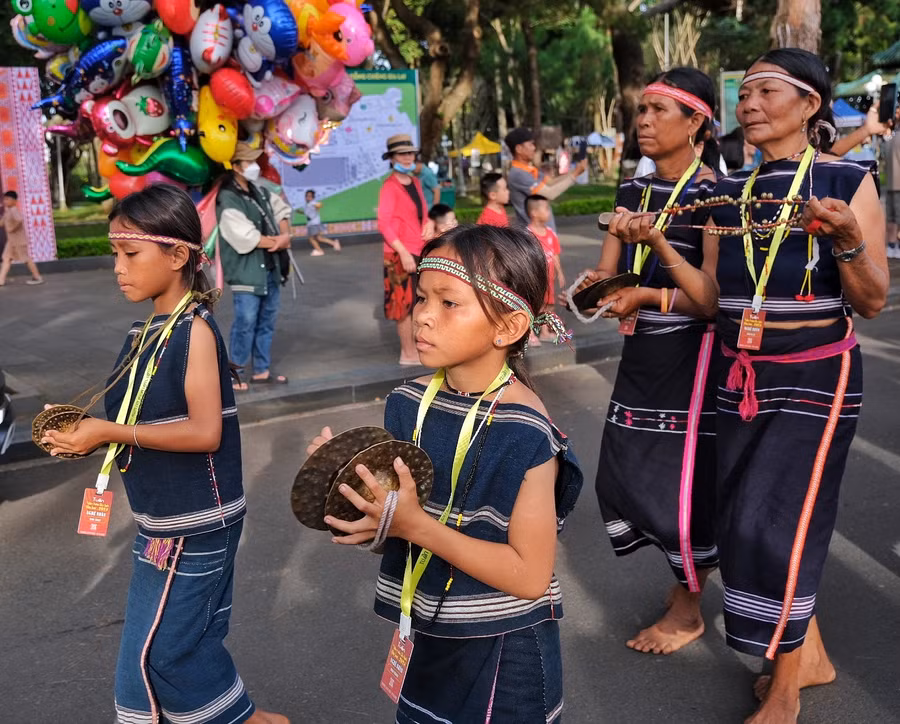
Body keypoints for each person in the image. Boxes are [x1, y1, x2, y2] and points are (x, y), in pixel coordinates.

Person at [306, 224, 582, 723]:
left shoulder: (526, 431)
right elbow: (405, 520)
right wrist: (354, 492)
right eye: (422, 297)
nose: (423, 316)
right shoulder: (407, 402)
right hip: (427, 630)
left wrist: (414, 526)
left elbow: (529, 575)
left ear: (509, 326)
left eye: (449, 303)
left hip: (504, 655)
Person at [39, 185, 288, 724]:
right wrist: (90, 433)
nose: (118, 267)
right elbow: (139, 418)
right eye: (115, 254)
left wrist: (108, 429)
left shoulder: (193, 332)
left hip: (196, 522)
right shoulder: (145, 330)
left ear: (177, 256)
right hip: (163, 519)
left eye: (130, 254)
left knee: (158, 653)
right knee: (163, 645)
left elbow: (204, 433)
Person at [706, 49, 888, 722]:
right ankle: (805, 654)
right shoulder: (737, 190)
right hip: (741, 375)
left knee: (781, 522)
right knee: (743, 523)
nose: (748, 103)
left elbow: (871, 300)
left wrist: (845, 241)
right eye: (744, 92)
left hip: (817, 377)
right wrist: (649, 277)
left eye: (764, 91)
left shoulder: (846, 177)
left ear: (810, 104)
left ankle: (785, 687)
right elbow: (713, 298)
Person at [573, 67, 722, 656]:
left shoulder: (716, 195)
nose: (644, 120)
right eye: (641, 109)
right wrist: (595, 288)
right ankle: (684, 576)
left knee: (679, 481)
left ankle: (689, 609)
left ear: (697, 123)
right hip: (642, 355)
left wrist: (654, 268)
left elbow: (710, 299)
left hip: (692, 359)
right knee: (625, 468)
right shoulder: (632, 192)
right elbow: (611, 278)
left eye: (661, 110)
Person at [217, 142, 293, 389]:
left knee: (266, 321)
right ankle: (234, 375)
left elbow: (282, 210)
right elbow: (245, 236)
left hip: (270, 269)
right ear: (235, 166)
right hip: (246, 273)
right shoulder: (227, 198)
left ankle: (261, 370)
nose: (253, 167)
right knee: (245, 324)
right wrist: (280, 242)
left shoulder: (259, 190)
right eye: (248, 162)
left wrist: (284, 234)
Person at [378, 133, 430, 366]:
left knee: (420, 302)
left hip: (419, 250)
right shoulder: (389, 187)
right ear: (392, 158)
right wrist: (403, 252)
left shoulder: (416, 183)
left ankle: (417, 350)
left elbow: (424, 214)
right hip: (399, 254)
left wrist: (428, 225)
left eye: (410, 153)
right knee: (403, 305)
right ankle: (407, 353)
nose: (408, 158)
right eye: (402, 154)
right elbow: (384, 224)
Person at [505, 127, 587, 228]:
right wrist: (575, 174)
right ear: (519, 149)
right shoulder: (518, 173)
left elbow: (551, 183)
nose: (534, 148)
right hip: (534, 236)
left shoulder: (529, 169)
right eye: (530, 144)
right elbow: (550, 193)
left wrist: (574, 171)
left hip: (544, 234)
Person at [525, 194, 565, 345]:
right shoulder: (527, 234)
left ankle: (544, 332)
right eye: (546, 209)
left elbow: (555, 255)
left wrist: (560, 273)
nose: (549, 212)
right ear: (534, 213)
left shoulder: (550, 234)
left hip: (549, 280)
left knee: (549, 305)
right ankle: (528, 333)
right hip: (535, 280)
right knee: (532, 305)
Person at [0, 190, 43, 286]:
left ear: (14, 201)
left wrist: (11, 228)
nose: (5, 201)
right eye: (4, 199)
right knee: (6, 258)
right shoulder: (8, 212)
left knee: (26, 259)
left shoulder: (14, 210)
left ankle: (37, 277)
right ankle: (1, 280)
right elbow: (2, 223)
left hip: (19, 241)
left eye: (8, 199)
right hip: (11, 242)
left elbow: (19, 220)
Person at [304, 189, 341, 256]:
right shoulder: (308, 204)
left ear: (313, 197)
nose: (308, 197)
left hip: (314, 224)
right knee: (319, 238)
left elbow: (319, 205)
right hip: (313, 223)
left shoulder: (312, 203)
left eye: (310, 196)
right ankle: (334, 243)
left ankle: (319, 250)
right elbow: (308, 213)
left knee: (311, 239)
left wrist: (319, 205)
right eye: (306, 196)